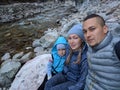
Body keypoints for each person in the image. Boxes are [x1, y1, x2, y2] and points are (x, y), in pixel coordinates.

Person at [44, 23, 88, 90]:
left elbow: (82, 82)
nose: (72, 41)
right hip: (65, 74)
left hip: (74, 81)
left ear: (81, 39)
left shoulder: (85, 57)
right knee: (48, 84)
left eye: (75, 38)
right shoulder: (68, 48)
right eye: (69, 38)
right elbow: (59, 51)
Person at [82, 14, 120, 90]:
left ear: (105, 29)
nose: (88, 35)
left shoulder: (116, 47)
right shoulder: (90, 47)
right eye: (85, 31)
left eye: (92, 29)